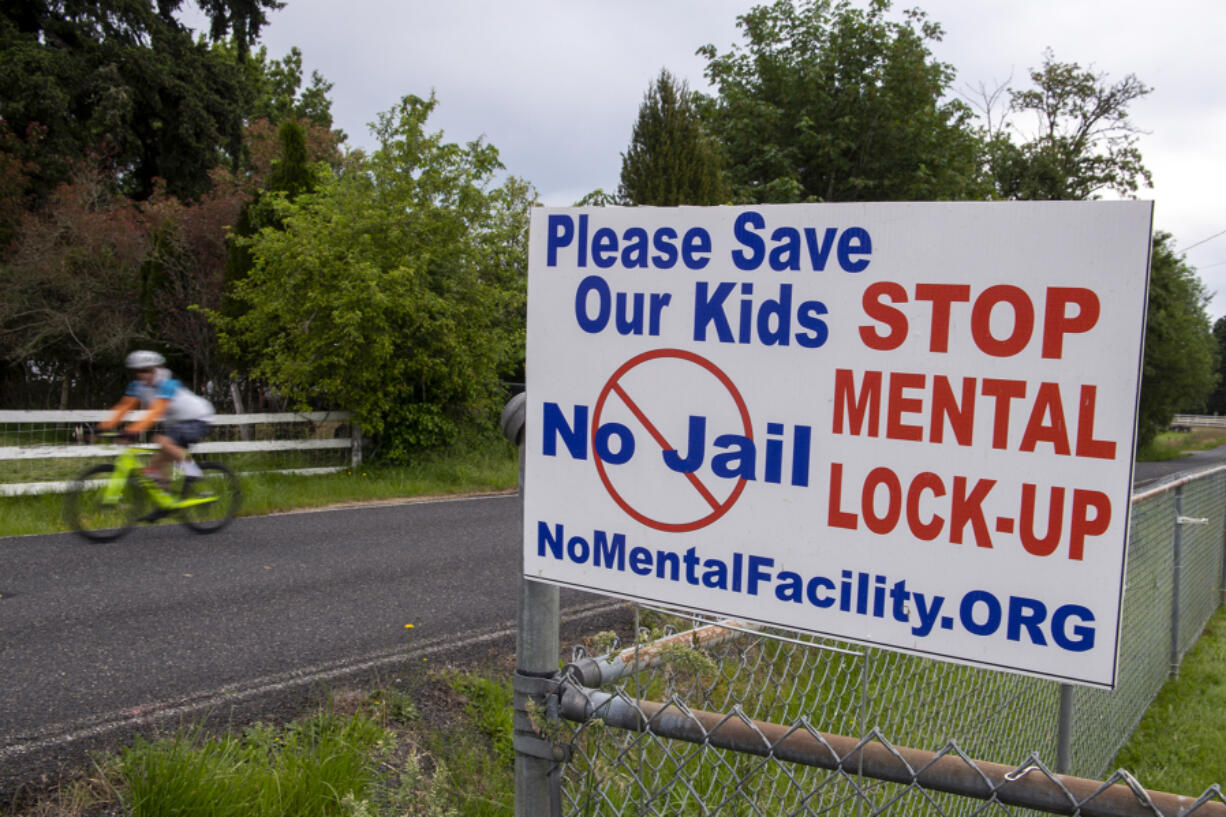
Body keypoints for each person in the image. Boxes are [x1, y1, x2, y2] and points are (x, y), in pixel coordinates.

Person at [99, 350, 215, 488]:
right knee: (157, 462)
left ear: (156, 369)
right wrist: (101, 427)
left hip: (197, 418)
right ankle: (166, 501)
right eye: (137, 371)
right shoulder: (138, 386)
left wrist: (131, 431)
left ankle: (193, 471)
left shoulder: (167, 384)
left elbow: (156, 412)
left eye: (145, 370)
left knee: (161, 440)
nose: (141, 374)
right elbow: (124, 407)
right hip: (176, 423)